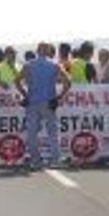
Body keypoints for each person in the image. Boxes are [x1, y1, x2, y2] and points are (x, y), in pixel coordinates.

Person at [16, 42, 72, 170]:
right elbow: (68, 82)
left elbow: (16, 81)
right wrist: (59, 97)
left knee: (32, 132)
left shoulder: (29, 64)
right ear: (47, 51)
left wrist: (25, 95)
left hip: (33, 102)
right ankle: (55, 160)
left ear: (36, 50)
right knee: (52, 132)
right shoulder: (54, 64)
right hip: (48, 102)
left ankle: (35, 160)